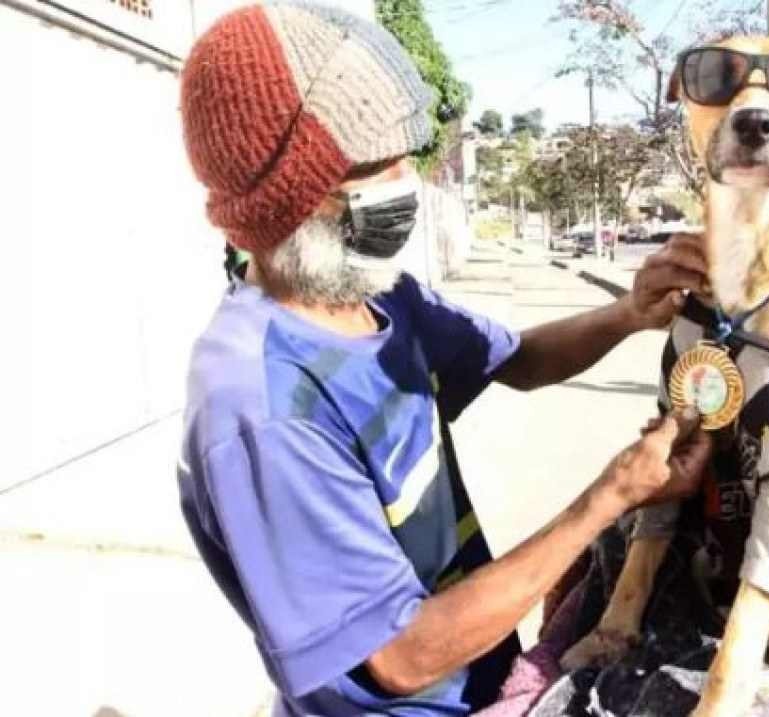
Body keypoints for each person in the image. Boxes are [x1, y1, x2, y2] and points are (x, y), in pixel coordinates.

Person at [174, 5, 712, 716]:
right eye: (374, 167)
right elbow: (402, 656)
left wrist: (627, 315)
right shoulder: (263, 407)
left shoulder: (377, 297)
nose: (405, 177)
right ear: (292, 201)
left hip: (484, 673)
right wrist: (610, 496)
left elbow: (517, 360)